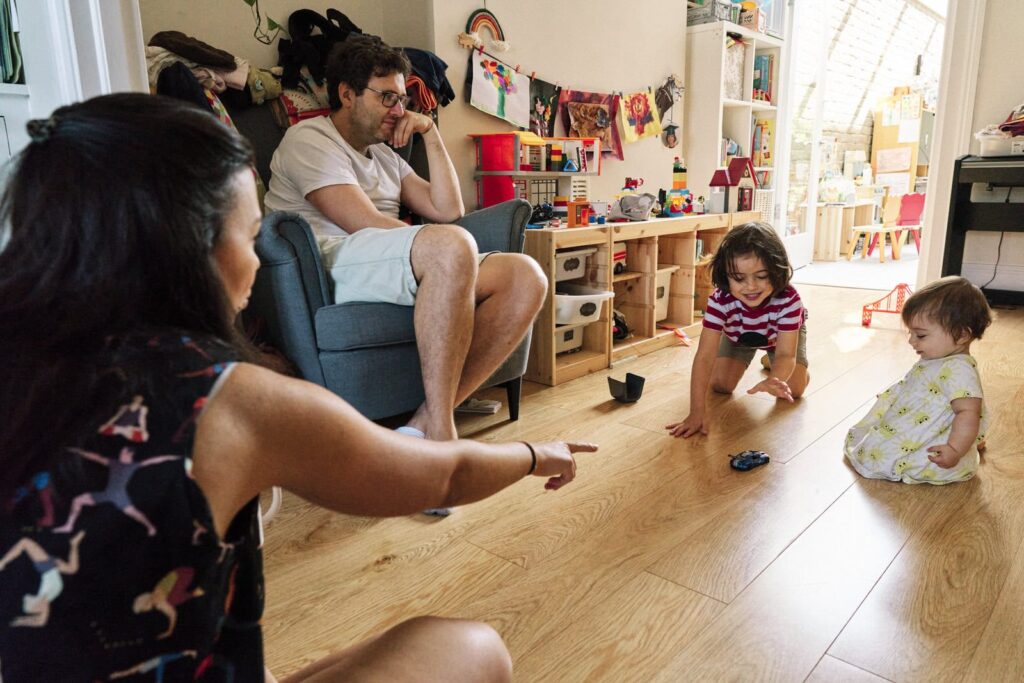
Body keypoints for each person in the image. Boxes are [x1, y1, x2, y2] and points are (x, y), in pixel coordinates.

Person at [0, 93, 595, 682]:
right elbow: (446, 476)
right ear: (191, 247)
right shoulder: (229, 400)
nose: (257, 262)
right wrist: (535, 454)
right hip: (377, 266)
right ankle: (430, 422)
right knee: (469, 647)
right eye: (251, 235)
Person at [264, 37, 546, 442]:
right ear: (347, 94)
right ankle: (442, 438)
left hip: (387, 261)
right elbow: (363, 223)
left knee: (525, 277)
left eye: (403, 100)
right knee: (452, 245)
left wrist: (430, 132)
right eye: (388, 98)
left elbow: (448, 210)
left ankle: (427, 420)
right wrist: (448, 249)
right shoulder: (308, 139)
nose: (399, 111)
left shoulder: (385, 156)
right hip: (331, 261)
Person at [666, 222, 810, 438]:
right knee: (721, 385)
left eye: (761, 276)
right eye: (739, 278)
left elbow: (786, 354)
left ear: (776, 270)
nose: (750, 286)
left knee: (794, 390)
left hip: (779, 340)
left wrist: (774, 380)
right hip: (738, 337)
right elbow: (704, 357)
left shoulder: (789, 299)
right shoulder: (719, 300)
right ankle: (764, 360)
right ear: (726, 275)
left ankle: (771, 362)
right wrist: (696, 412)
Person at [844, 276, 991, 484]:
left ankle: (965, 446)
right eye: (911, 333)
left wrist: (955, 449)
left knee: (882, 453)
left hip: (939, 449)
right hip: (921, 423)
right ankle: (971, 441)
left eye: (920, 335)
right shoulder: (939, 358)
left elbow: (968, 412)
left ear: (960, 335)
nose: (911, 341)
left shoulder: (959, 369)